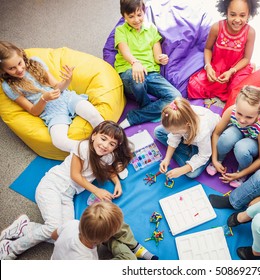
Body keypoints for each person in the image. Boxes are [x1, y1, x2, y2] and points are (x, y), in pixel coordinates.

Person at [0, 121, 132, 260]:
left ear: (115, 147)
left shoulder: (108, 156)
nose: (105, 145)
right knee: (53, 229)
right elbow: (75, 175)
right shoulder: (82, 148)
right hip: (52, 186)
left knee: (66, 235)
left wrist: (117, 183)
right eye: (103, 139)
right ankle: (10, 248)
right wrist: (96, 190)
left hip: (67, 195)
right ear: (94, 136)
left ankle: (24, 227)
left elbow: (109, 169)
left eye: (112, 144)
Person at [0, 41, 104, 153]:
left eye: (20, 63)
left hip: (66, 98)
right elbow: (34, 111)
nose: (19, 70)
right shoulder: (9, 86)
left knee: (94, 115)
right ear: (2, 70)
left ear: (21, 55)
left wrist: (67, 80)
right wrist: (44, 99)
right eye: (11, 68)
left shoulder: (35, 63)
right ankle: (91, 152)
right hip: (50, 111)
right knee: (59, 141)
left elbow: (57, 87)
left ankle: (116, 141)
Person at [115, 0, 181, 128]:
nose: (136, 20)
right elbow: (124, 50)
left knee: (176, 97)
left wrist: (162, 58)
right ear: (124, 16)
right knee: (137, 79)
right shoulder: (120, 30)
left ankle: (137, 116)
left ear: (144, 13)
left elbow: (157, 56)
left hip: (151, 73)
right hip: (130, 70)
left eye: (139, 15)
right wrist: (135, 63)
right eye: (131, 16)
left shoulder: (151, 28)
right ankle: (150, 110)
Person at [187, 0, 260, 102]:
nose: (237, 20)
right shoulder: (217, 27)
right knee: (194, 86)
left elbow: (246, 58)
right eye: (233, 15)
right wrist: (208, 66)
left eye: (242, 16)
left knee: (240, 92)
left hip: (237, 70)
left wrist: (231, 71)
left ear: (249, 14)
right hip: (218, 68)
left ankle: (249, 70)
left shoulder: (250, 33)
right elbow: (208, 49)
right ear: (226, 12)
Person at [206, 85, 260, 188]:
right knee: (226, 138)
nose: (242, 120)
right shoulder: (232, 111)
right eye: (239, 113)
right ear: (236, 106)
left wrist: (240, 174)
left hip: (255, 140)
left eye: (249, 117)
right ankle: (221, 158)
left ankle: (243, 170)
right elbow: (216, 133)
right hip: (240, 130)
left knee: (241, 148)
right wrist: (215, 160)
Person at [50, 201, 158, 260]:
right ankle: (133, 247)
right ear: (104, 239)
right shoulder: (87, 259)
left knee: (108, 223)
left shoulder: (73, 223)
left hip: (85, 241)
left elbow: (54, 235)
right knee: (130, 260)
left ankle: (134, 246)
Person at [154, 97, 221, 179]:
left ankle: (190, 154)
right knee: (158, 131)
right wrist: (167, 159)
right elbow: (174, 136)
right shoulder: (180, 115)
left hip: (206, 141)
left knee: (191, 174)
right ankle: (189, 153)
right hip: (188, 134)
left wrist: (181, 170)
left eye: (175, 132)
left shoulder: (202, 132)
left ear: (187, 125)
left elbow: (204, 155)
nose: (173, 133)